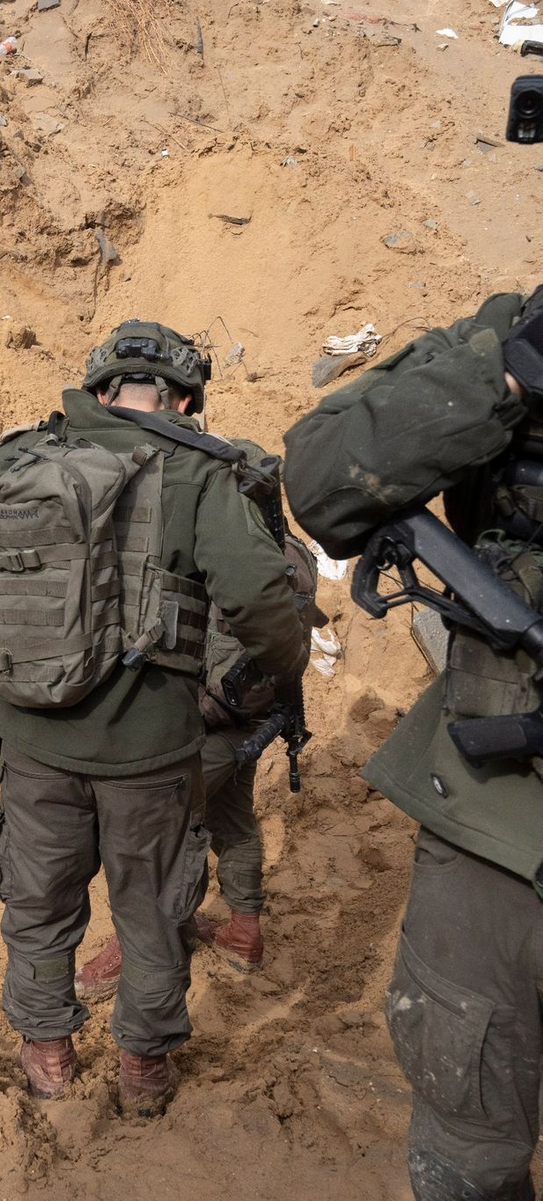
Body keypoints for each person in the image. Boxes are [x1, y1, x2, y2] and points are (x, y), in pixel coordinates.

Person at [0, 320, 307, 1114]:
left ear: (96, 390)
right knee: (155, 914)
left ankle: (48, 1051)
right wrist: (280, 669)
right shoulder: (198, 472)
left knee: (37, 902)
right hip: (153, 757)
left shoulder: (19, 458)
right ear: (185, 397)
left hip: (33, 746)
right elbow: (264, 597)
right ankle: (142, 1070)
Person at [282, 289, 543, 1201]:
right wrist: (508, 371)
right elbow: (318, 479)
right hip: (499, 813)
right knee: (468, 1142)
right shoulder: (513, 330)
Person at [75, 509, 320, 991]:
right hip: (256, 720)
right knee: (234, 820)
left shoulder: (235, 552)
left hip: (206, 721)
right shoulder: (297, 554)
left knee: (157, 835)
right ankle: (244, 934)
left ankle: (137, 945)